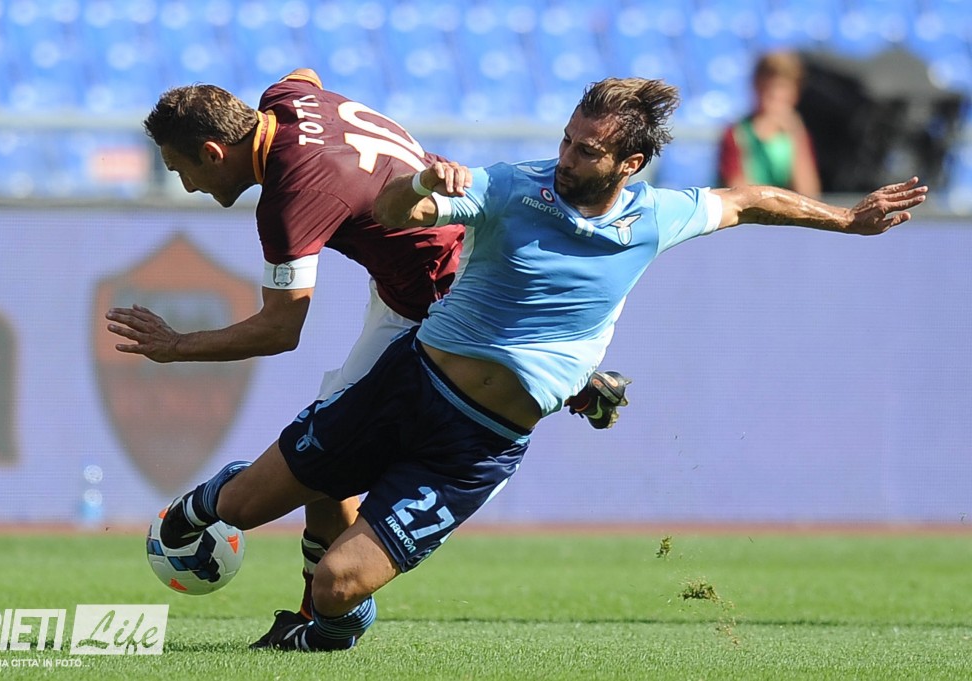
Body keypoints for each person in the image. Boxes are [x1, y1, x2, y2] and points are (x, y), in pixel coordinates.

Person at [156, 76, 926, 652]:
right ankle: (575, 384)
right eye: (565, 139)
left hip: (473, 440)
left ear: (629, 163)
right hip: (408, 377)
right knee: (248, 505)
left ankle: (323, 625)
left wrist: (846, 219)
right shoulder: (511, 186)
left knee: (337, 584)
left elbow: (752, 199)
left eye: (585, 150)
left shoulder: (658, 216)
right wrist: (421, 182)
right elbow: (398, 209)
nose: (565, 157)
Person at [104, 69, 628, 627]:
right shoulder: (286, 98)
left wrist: (177, 345)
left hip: (441, 299)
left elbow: (280, 330)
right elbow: (305, 75)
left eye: (181, 169)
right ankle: (315, 608)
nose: (187, 186)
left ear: (213, 152)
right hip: (420, 272)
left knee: (323, 449)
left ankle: (315, 599)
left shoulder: (292, 196)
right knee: (325, 441)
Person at [718, 51, 821, 197]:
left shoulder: (796, 134)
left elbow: (808, 193)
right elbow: (738, 193)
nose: (774, 94)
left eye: (782, 88)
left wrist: (796, 137)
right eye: (768, 87)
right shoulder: (736, 133)